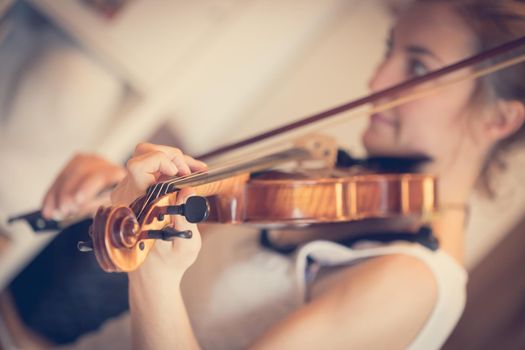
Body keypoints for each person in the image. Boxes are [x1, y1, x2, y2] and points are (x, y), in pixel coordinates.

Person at [19, 0, 525, 349]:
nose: (375, 81)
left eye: (417, 68)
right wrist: (116, 191)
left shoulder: (414, 282)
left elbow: (161, 268)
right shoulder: (331, 187)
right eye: (388, 51)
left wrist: (151, 274)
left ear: (499, 119)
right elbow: (185, 229)